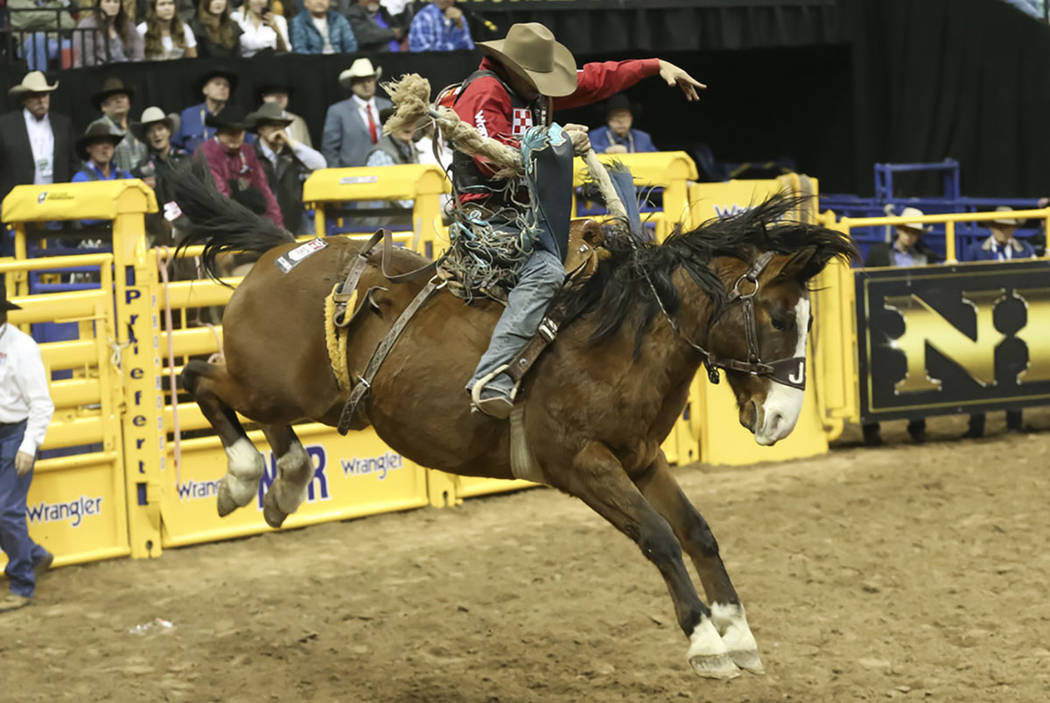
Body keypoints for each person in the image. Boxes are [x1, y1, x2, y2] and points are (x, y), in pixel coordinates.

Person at [450, 22, 704, 417]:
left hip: (527, 214)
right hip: (490, 216)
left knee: (608, 255)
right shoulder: (485, 91)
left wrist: (655, 65)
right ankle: (492, 377)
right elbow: (490, 154)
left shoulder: (531, 91)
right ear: (516, 70)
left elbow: (596, 79)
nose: (548, 86)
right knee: (546, 273)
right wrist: (557, 140)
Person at [861, 207, 940, 446]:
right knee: (878, 372)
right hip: (882, 320)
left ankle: (917, 425)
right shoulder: (878, 253)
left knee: (916, 371)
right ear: (898, 229)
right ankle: (871, 428)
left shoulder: (926, 256)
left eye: (914, 232)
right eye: (906, 230)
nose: (910, 236)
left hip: (913, 320)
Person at [0, 285, 56, 613]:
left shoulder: (22, 347)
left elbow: (41, 404)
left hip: (14, 434)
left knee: (6, 510)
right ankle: (34, 556)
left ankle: (21, 582)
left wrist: (28, 444)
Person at [962, 206, 1034, 439]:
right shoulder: (975, 251)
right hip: (983, 318)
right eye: (1000, 226)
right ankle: (977, 424)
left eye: (1009, 226)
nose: (1005, 231)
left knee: (1014, 368)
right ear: (992, 227)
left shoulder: (1026, 250)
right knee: (980, 371)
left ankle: (1014, 421)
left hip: (1016, 320)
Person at [197, 106, 284, 228]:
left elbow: (263, 189)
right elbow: (219, 193)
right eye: (230, 131)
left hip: (246, 218)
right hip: (215, 219)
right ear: (219, 131)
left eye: (239, 131)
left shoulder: (248, 151)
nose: (235, 136)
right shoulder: (207, 152)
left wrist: (278, 227)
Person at [248, 101, 325, 233]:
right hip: (260, 224)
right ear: (261, 130)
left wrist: (290, 142)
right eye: (273, 126)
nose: (278, 131)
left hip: (293, 222)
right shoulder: (249, 154)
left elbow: (320, 164)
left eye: (281, 127)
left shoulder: (293, 152)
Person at [0, 71, 75, 202]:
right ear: (24, 99)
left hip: (57, 200)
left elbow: (73, 163)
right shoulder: (6, 125)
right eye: (35, 95)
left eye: (45, 94)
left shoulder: (62, 124)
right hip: (19, 202)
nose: (41, 100)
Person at [321, 58, 391, 168]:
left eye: (369, 80)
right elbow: (330, 149)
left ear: (374, 81)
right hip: (352, 174)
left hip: (387, 170)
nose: (366, 85)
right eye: (360, 81)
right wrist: (337, 174)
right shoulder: (338, 111)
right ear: (352, 84)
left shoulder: (387, 106)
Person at [90, 76, 148, 173]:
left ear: (129, 103)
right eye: (114, 98)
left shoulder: (137, 128)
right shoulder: (97, 128)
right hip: (113, 185)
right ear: (104, 106)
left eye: (123, 97)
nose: (119, 100)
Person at [172, 68, 236, 154]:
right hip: (194, 165)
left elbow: (249, 149)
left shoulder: (236, 117)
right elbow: (174, 147)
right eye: (217, 84)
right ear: (205, 89)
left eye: (226, 85)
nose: (222, 87)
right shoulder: (188, 115)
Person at [72, 0, 145, 67]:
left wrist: (135, 65)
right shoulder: (86, 25)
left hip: (126, 71)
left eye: (116, 2)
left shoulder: (127, 25)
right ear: (99, 4)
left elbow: (138, 49)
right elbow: (87, 58)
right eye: (107, 1)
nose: (112, 5)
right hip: (96, 72)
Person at [589, 93, 656, 154]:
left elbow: (657, 158)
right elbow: (587, 152)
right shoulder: (594, 136)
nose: (620, 122)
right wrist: (604, 151)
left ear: (631, 118)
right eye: (615, 117)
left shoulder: (643, 138)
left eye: (624, 116)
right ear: (608, 120)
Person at [289, 0, 356, 54]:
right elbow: (300, 49)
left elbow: (351, 45)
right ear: (306, 3)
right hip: (311, 63)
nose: (319, 2)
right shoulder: (299, 21)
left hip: (339, 61)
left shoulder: (338, 18)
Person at [258, 82, 312, 147]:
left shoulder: (298, 121)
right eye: (273, 93)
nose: (279, 97)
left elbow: (309, 150)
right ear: (264, 97)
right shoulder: (256, 122)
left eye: (283, 93)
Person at [408, 0, 472, 52]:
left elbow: (469, 48)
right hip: (428, 66)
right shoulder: (424, 16)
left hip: (455, 64)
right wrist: (457, 47)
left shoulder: (459, 16)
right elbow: (425, 53)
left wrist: (459, 25)